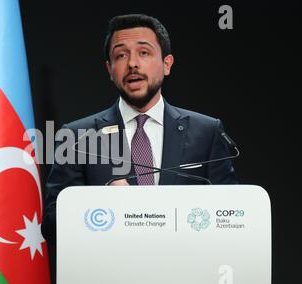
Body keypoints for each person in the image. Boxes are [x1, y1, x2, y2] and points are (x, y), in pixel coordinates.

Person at [41, 14, 238, 244]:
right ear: (110, 69)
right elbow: (51, 228)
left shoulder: (207, 132)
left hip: (184, 273)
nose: (132, 63)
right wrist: (96, 205)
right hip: (110, 275)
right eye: (121, 55)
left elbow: (232, 216)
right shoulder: (78, 137)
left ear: (167, 64)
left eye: (144, 53)